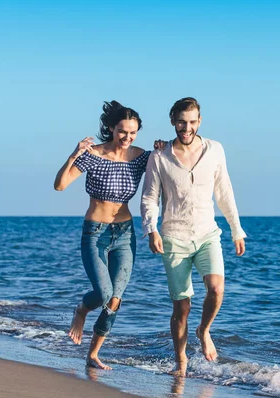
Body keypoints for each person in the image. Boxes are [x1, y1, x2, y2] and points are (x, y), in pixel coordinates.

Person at [141, 97, 246, 377]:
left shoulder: (215, 150)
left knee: (216, 289)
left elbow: (224, 191)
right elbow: (150, 197)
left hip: (207, 233)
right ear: (173, 120)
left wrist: (236, 230)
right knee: (182, 305)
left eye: (191, 122)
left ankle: (204, 330)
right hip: (174, 237)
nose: (186, 128)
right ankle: (181, 362)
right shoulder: (159, 156)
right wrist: (151, 229)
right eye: (181, 122)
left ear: (199, 122)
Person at [54, 101, 150, 370]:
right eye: (122, 132)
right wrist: (74, 154)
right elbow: (59, 186)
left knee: (116, 299)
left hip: (124, 233)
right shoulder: (93, 154)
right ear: (111, 128)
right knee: (104, 292)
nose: (127, 138)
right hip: (95, 233)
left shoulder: (142, 157)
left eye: (132, 133)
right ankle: (81, 310)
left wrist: (163, 149)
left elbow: (164, 172)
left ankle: (93, 354)